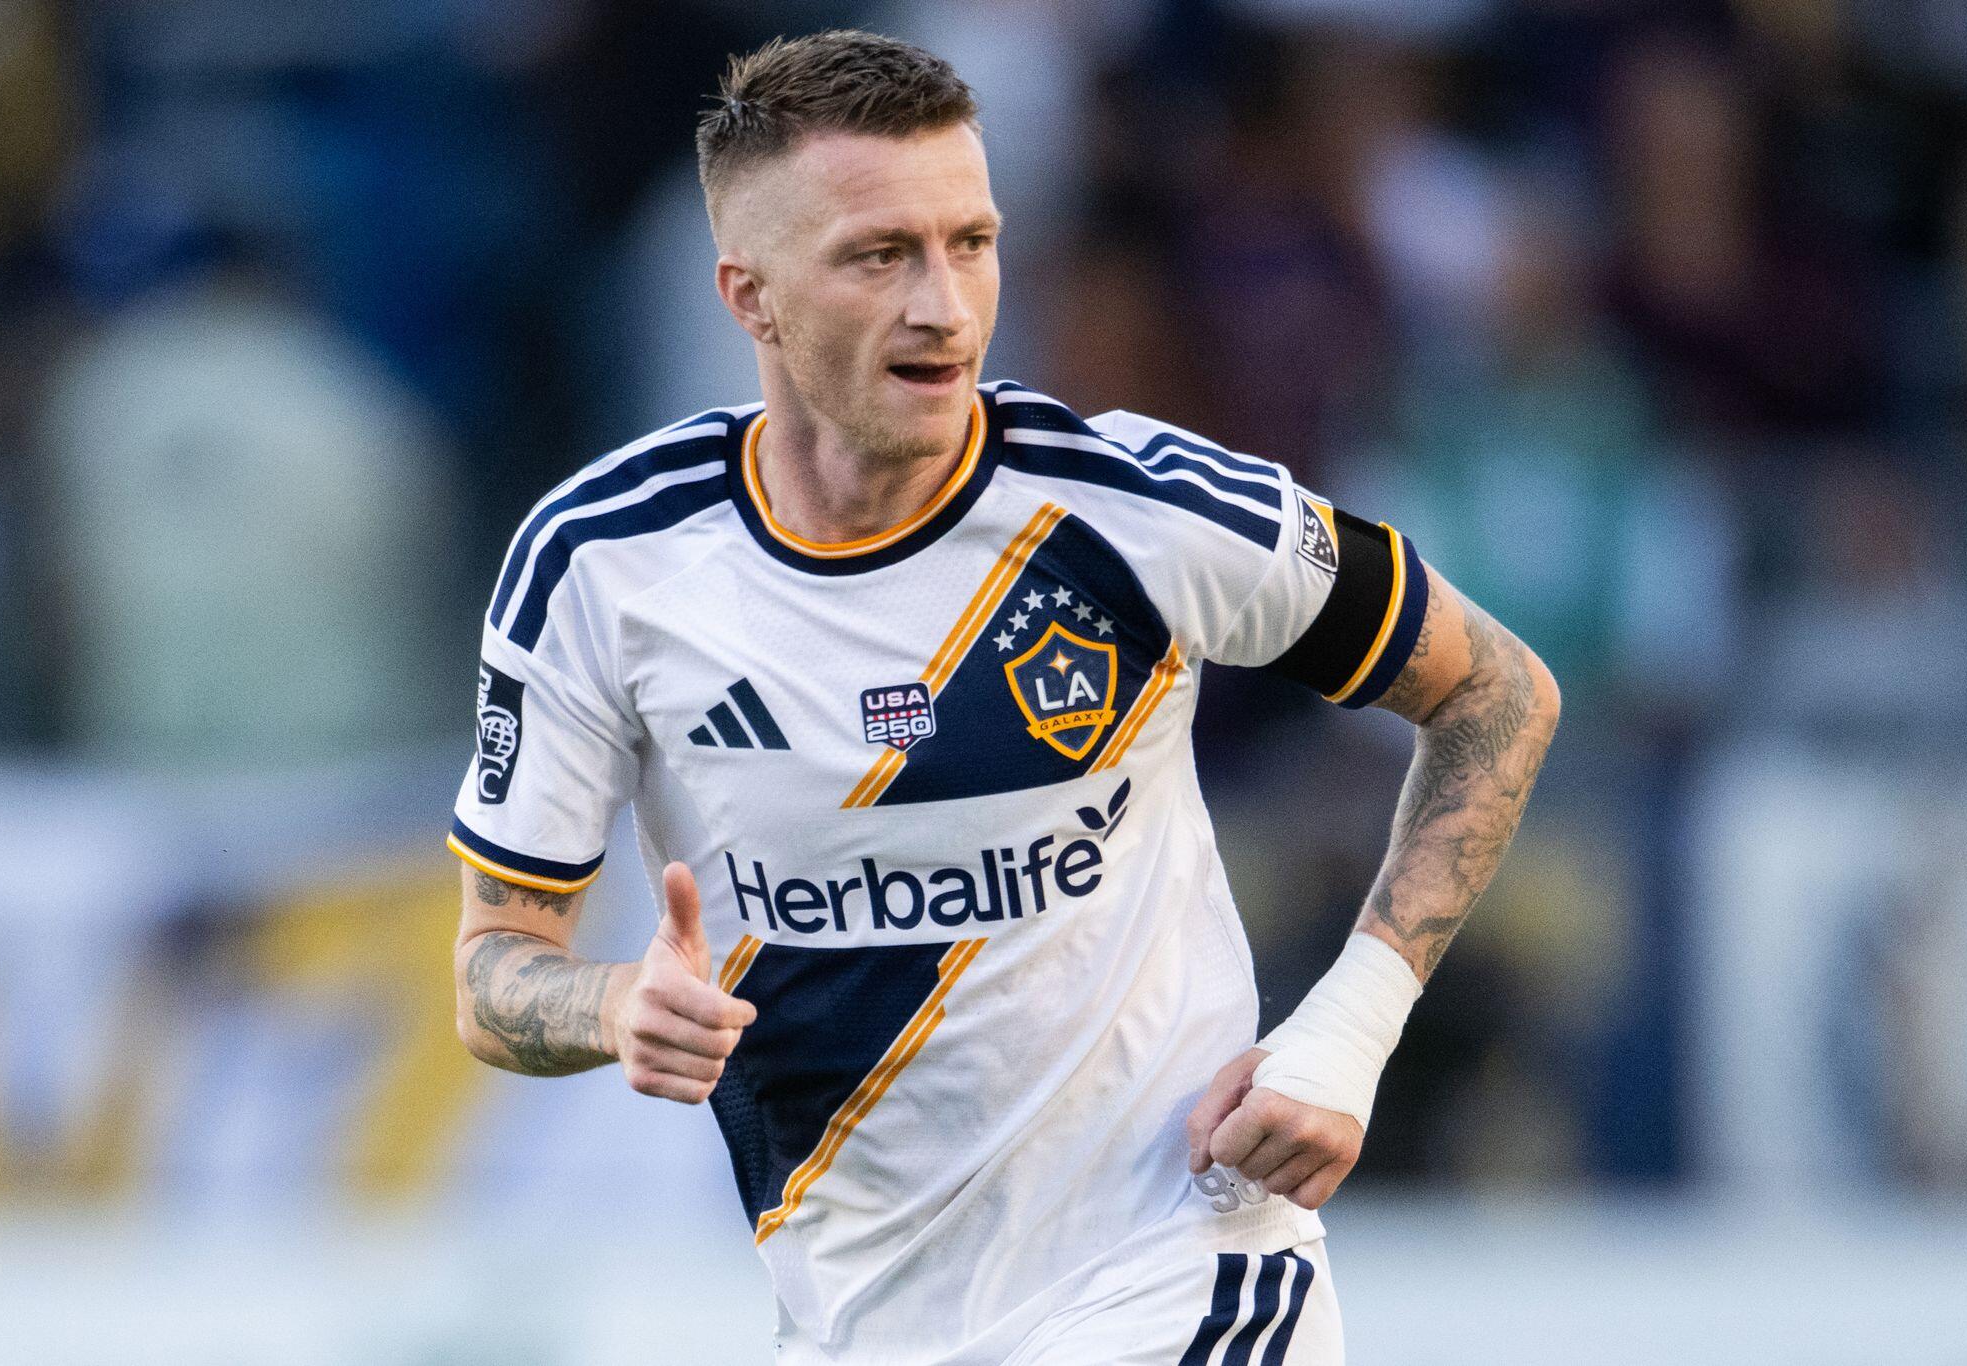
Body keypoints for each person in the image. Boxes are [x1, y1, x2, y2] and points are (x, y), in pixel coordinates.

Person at [448, 30, 1559, 1366]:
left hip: (1182, 1275)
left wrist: (1348, 1028)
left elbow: (1498, 691)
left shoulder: (1137, 508)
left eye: (970, 242)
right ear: (751, 296)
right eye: (880, 256)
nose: (945, 305)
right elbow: (493, 972)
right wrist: (616, 1005)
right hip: (858, 1324)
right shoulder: (605, 564)